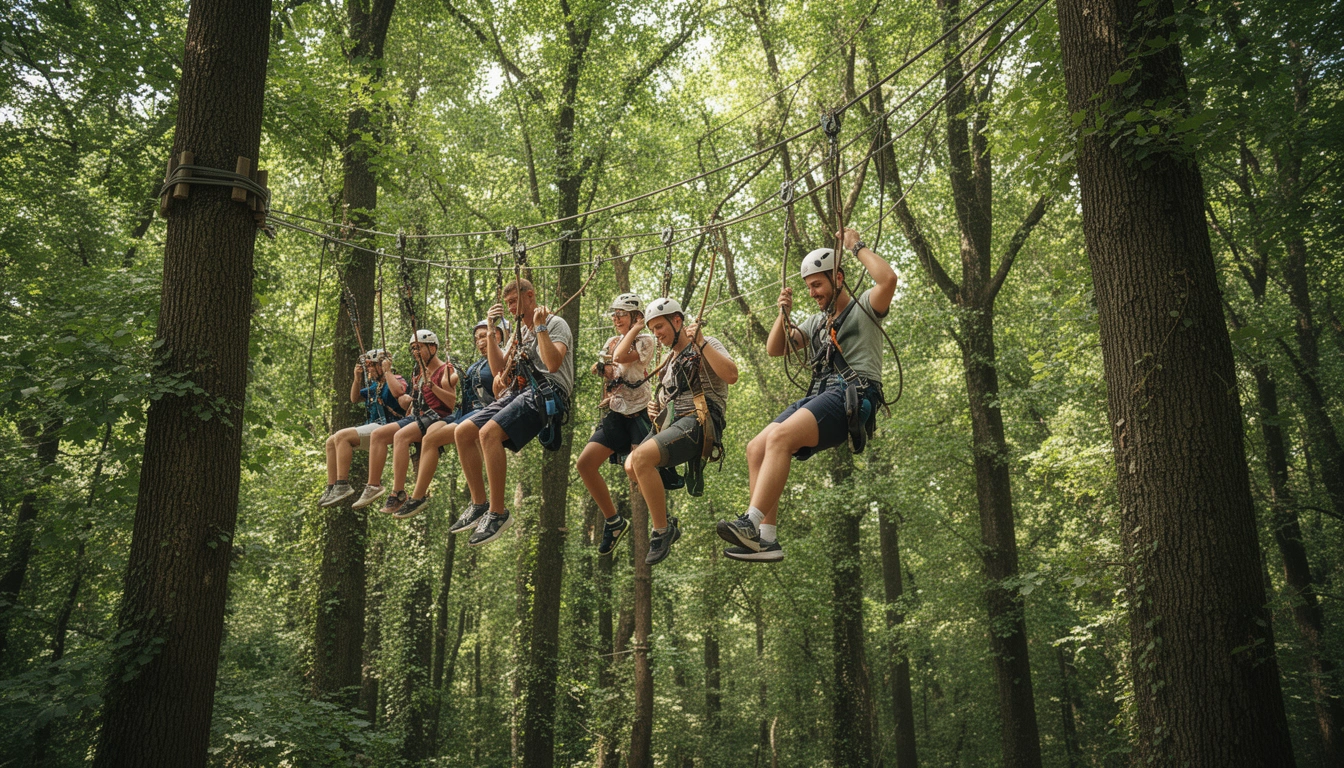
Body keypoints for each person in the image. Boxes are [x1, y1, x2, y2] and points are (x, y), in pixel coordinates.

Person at [716, 227, 897, 562]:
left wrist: (855, 245)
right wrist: (782, 313)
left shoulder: (865, 307)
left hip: (854, 394)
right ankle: (766, 539)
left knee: (780, 437)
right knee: (756, 447)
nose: (813, 292)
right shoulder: (815, 322)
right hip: (823, 394)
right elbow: (776, 348)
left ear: (837, 278)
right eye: (808, 286)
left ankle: (751, 522)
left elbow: (888, 279)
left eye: (818, 284)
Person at [450, 279, 573, 546]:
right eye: (507, 303)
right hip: (520, 393)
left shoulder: (554, 324)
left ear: (530, 296)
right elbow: (498, 370)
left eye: (514, 301)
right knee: (463, 431)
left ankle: (498, 513)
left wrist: (539, 326)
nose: (511, 308)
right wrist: (493, 331)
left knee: (488, 434)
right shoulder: (519, 333)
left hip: (546, 392)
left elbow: (553, 364)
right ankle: (479, 503)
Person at [625, 297, 738, 565]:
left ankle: (661, 531)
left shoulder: (705, 343)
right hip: (674, 421)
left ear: (678, 321)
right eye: (652, 329)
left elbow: (731, 375)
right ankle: (668, 524)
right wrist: (657, 408)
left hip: (701, 420)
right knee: (631, 466)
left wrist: (701, 342)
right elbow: (668, 399)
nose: (657, 334)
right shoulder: (670, 361)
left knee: (640, 459)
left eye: (660, 327)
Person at [394, 318, 506, 520]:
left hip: (487, 411)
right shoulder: (477, 363)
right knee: (431, 439)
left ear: (498, 335)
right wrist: (447, 377)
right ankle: (419, 497)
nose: (479, 341)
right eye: (476, 338)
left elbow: (505, 384)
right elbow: (455, 380)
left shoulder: (503, 358)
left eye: (484, 336)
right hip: (468, 412)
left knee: (454, 435)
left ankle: (481, 503)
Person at [578, 293, 657, 556]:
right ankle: (613, 522)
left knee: (635, 472)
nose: (615, 319)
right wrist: (604, 372)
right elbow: (603, 366)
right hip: (617, 411)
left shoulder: (646, 340)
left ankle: (665, 523)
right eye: (614, 315)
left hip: (640, 412)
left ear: (636, 316)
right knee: (585, 464)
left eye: (621, 314)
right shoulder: (612, 341)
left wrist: (637, 327)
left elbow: (622, 356)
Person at [350, 330, 457, 512]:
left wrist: (433, 386)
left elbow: (450, 403)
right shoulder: (417, 371)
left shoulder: (445, 369)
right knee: (379, 434)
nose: (415, 352)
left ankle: (398, 492)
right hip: (418, 415)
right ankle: (373, 485)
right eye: (413, 348)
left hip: (437, 416)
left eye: (419, 347)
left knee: (401, 436)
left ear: (433, 347)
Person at [319, 349, 408, 507]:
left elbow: (400, 391)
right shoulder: (375, 386)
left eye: (372, 366)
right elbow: (355, 398)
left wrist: (387, 372)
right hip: (373, 425)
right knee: (331, 441)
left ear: (381, 365)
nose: (370, 370)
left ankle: (342, 483)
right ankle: (332, 486)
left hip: (388, 425)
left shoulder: (395, 379)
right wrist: (357, 378)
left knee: (341, 436)